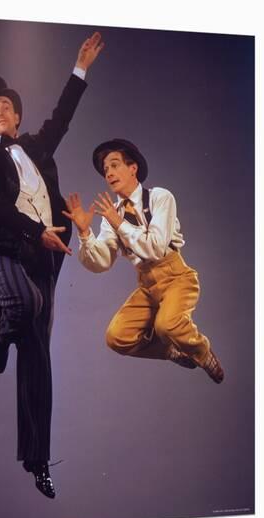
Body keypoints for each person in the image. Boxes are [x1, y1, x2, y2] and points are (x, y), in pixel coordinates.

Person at [0, 32, 104, 499]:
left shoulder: (37, 147)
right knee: (22, 305)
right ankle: (3, 326)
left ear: (17, 116)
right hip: (4, 250)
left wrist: (79, 69)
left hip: (45, 260)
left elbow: (62, 118)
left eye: (5, 107)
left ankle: (38, 460)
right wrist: (33, 230)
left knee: (39, 360)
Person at [63, 138, 224, 384]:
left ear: (133, 168)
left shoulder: (160, 197)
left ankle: (202, 352)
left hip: (176, 277)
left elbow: (156, 247)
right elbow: (102, 262)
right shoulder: (111, 215)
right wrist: (85, 233)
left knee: (166, 325)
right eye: (106, 170)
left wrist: (120, 224)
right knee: (116, 336)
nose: (109, 173)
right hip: (147, 286)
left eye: (114, 165)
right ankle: (170, 351)